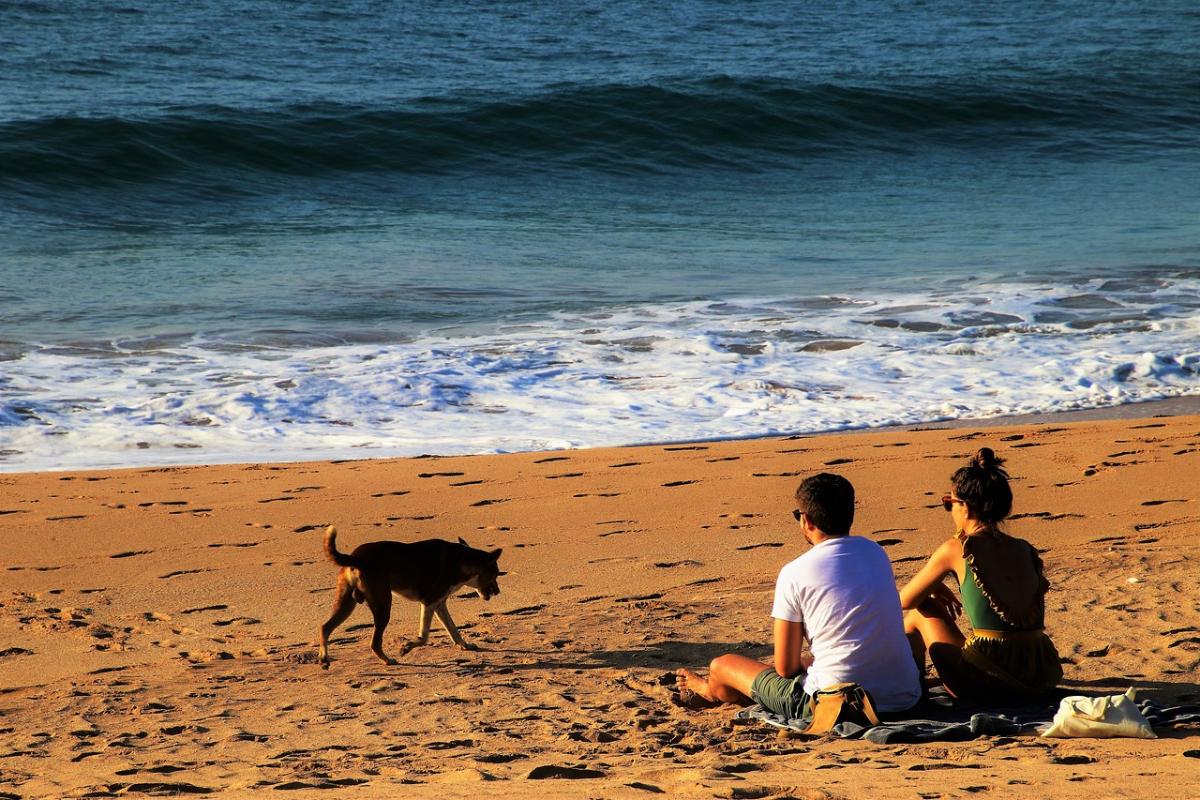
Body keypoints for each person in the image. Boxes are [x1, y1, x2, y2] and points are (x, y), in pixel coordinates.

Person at [674, 472, 922, 720]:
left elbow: (785, 668)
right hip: (904, 697)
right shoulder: (876, 552)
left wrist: (805, 665)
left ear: (807, 520)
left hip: (835, 705)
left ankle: (708, 690)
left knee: (722, 665)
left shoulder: (794, 572)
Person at [900, 448, 1062, 699]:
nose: (950, 511)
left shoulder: (956, 549)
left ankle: (912, 690)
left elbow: (904, 600)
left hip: (988, 683)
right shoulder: (1024, 548)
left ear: (964, 507)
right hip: (1039, 675)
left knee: (922, 610)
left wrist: (932, 588)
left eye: (949, 503)